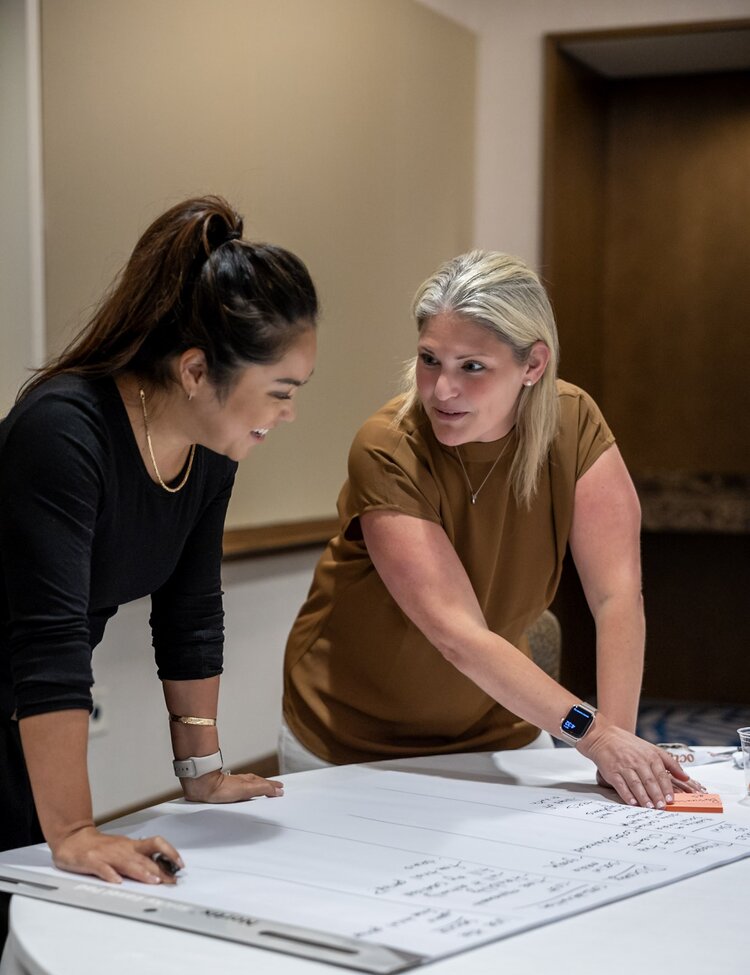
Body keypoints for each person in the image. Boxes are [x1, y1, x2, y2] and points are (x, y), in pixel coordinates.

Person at [282, 249, 701, 809]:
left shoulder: (573, 422)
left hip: (499, 726)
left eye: (472, 367)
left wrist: (617, 742)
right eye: (430, 359)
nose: (441, 390)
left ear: (532, 365)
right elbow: (461, 636)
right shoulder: (387, 448)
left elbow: (615, 595)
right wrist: (596, 736)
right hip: (353, 738)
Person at [0, 195, 318, 898]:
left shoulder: (209, 454)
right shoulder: (61, 433)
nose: (289, 412)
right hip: (25, 681)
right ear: (197, 371)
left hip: (20, 711)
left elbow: (191, 612)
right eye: (280, 390)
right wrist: (76, 828)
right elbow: (48, 647)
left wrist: (200, 771)